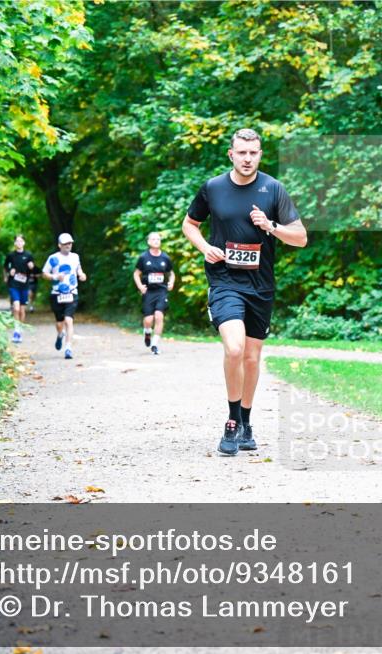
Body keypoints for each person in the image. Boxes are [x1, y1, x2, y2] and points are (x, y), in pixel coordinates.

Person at [182, 128, 307, 456]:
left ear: (260, 155)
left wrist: (271, 227)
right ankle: (233, 421)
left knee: (252, 357)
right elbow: (188, 225)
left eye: (253, 153)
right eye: (242, 153)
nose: (247, 158)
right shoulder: (213, 188)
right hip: (224, 281)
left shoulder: (272, 189)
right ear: (231, 154)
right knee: (235, 349)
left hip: (261, 287)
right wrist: (205, 247)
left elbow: (301, 237)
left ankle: (247, 422)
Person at [42, 232, 87, 360]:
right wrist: (55, 276)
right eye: (65, 243)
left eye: (70, 243)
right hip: (57, 294)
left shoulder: (75, 257)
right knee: (59, 323)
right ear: (59, 245)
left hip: (72, 292)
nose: (68, 245)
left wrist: (82, 275)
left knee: (69, 320)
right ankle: (60, 334)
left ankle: (68, 348)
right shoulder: (53, 258)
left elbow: (79, 269)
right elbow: (44, 273)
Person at [132, 231, 175, 355]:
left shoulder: (165, 258)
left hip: (161, 291)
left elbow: (171, 273)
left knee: (159, 316)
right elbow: (136, 273)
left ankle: (155, 345)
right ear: (149, 242)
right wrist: (140, 286)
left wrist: (171, 282)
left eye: (158, 239)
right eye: (154, 239)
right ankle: (147, 332)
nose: (157, 241)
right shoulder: (144, 257)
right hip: (149, 292)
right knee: (148, 320)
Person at [3, 235, 35, 343]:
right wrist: (8, 273)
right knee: (16, 308)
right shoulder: (11, 255)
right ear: (15, 244)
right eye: (17, 241)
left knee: (22, 310)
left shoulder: (28, 255)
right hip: (14, 284)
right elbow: (5, 266)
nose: (19, 243)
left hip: (24, 285)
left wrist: (31, 267)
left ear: (24, 243)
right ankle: (16, 330)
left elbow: (33, 270)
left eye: (21, 241)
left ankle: (20, 330)